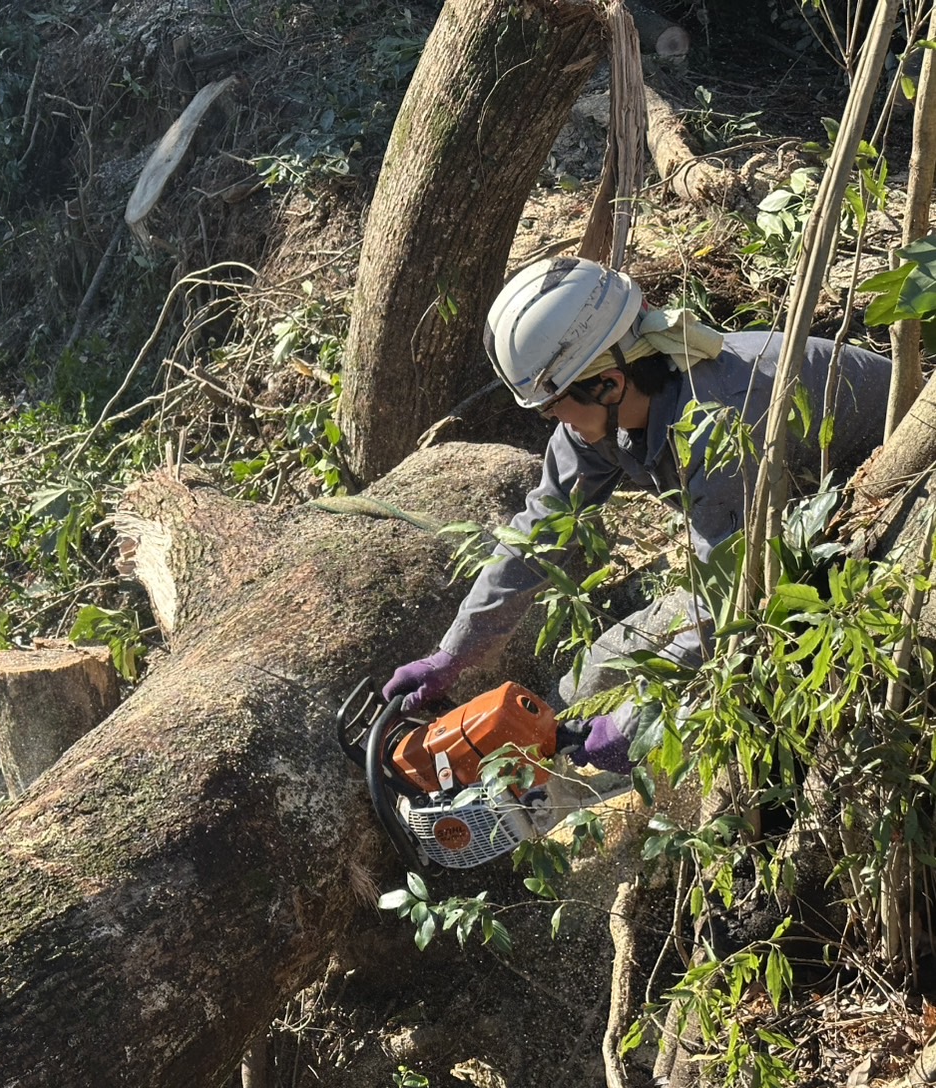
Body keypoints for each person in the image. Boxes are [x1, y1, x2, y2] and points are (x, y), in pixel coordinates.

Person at [382, 256, 893, 774]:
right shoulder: (601, 411)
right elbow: (539, 535)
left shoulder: (722, 422)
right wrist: (453, 655)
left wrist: (635, 723)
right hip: (770, 530)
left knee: (687, 704)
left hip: (874, 525)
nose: (553, 420)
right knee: (591, 679)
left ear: (608, 384)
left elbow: (733, 602)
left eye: (553, 406)